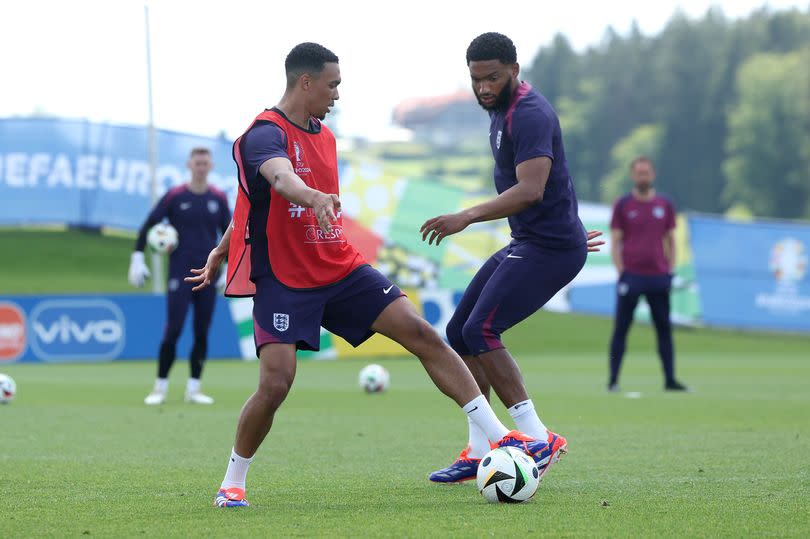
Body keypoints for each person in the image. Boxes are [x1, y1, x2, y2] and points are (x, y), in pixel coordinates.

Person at [186, 42, 553, 508]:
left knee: (423, 333)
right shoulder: (263, 134)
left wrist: (224, 247)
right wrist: (308, 199)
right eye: (332, 85)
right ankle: (233, 481)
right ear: (305, 82)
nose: (337, 95)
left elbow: (251, 206)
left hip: (339, 266)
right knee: (276, 384)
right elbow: (276, 182)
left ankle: (500, 437)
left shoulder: (325, 136)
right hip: (284, 278)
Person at [419, 32, 604, 484]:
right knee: (459, 331)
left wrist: (466, 215)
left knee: (482, 329)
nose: (484, 87)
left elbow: (532, 188)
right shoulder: (500, 108)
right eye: (476, 79)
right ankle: (480, 448)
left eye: (493, 78)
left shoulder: (531, 113)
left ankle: (539, 438)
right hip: (535, 240)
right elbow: (557, 178)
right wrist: (571, 223)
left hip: (549, 249)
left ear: (514, 71)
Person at [128, 147, 231, 405]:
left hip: (207, 275)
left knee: (202, 332)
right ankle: (159, 388)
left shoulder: (218, 198)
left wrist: (228, 268)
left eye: (205, 163)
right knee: (173, 330)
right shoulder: (175, 196)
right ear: (189, 165)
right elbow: (148, 225)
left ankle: (194, 389)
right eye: (197, 163)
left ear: (211, 166)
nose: (201, 167)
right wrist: (137, 257)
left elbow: (232, 234)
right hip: (179, 275)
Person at [607, 157, 690, 392]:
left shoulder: (664, 204)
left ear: (653, 175)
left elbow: (671, 240)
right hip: (631, 276)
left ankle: (670, 380)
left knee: (664, 328)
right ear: (633, 175)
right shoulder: (623, 205)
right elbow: (615, 241)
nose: (643, 177)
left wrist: (670, 269)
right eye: (639, 173)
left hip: (658, 277)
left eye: (646, 173)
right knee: (622, 328)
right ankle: (613, 381)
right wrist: (621, 271)